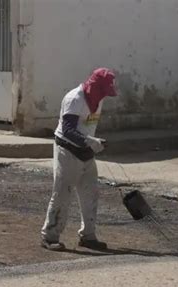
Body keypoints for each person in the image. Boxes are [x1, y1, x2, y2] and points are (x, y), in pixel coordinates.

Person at [41, 68, 118, 251]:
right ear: (94, 86)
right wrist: (89, 141)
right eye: (102, 92)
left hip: (86, 153)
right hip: (67, 151)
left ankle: (88, 236)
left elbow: (87, 127)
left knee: (90, 194)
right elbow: (68, 130)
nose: (103, 97)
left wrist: (92, 143)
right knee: (62, 194)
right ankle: (49, 236)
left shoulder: (97, 101)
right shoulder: (74, 99)